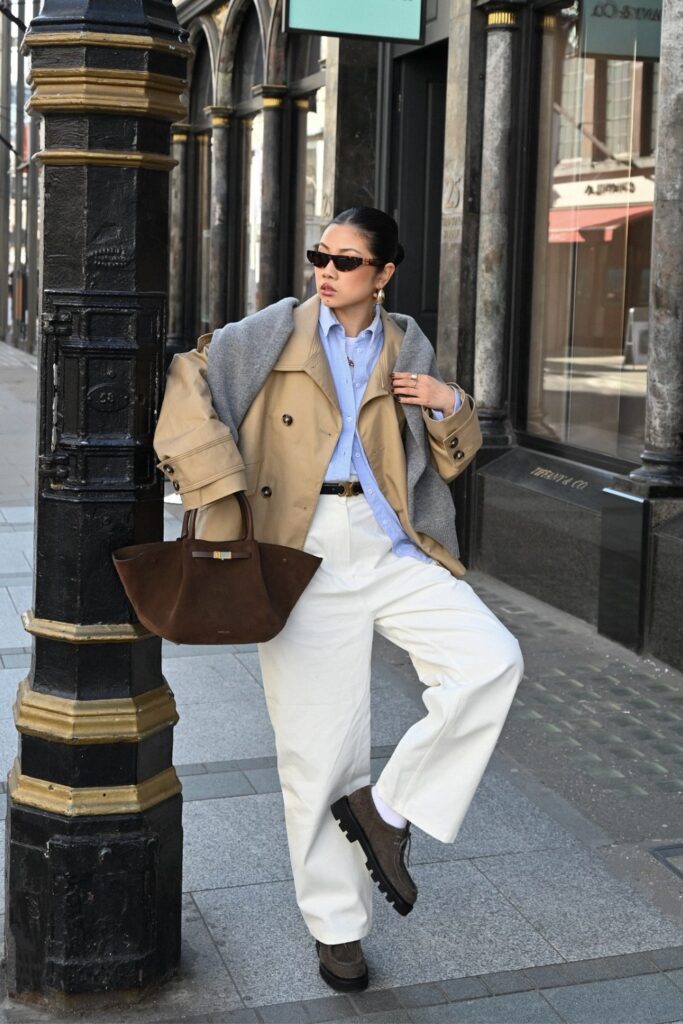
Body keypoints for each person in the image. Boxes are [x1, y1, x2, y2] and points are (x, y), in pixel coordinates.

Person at [154, 207, 524, 992]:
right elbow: (188, 380)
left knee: (491, 661)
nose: (326, 270)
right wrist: (217, 484)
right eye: (320, 255)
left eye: (347, 260)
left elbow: (449, 459)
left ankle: (387, 808)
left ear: (383, 274)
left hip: (391, 543)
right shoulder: (270, 333)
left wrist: (447, 403)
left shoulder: (406, 344)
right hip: (301, 545)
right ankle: (337, 930)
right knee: (319, 752)